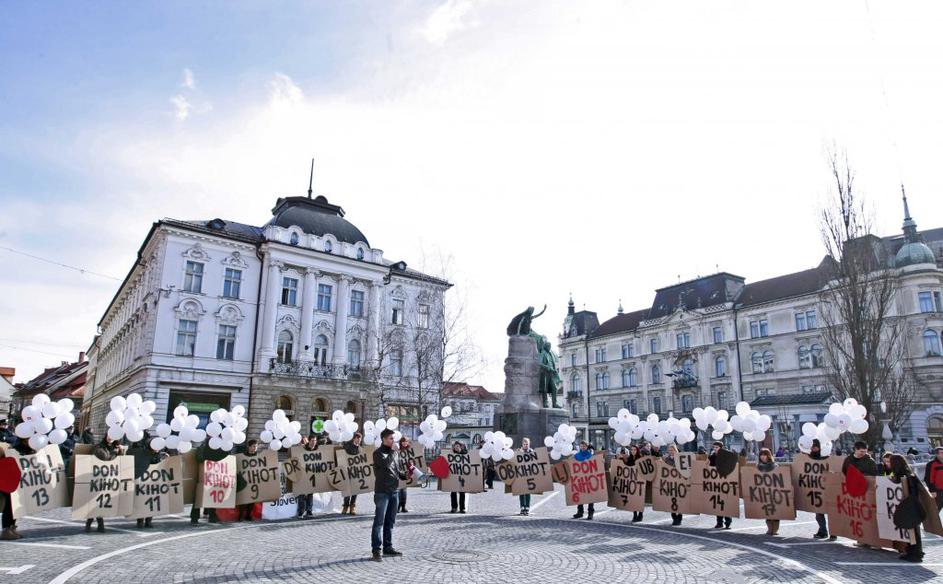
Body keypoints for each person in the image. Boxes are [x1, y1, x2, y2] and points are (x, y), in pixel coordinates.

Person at [371, 428, 406, 562]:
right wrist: (393, 451)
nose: (393, 441)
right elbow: (385, 465)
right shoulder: (377, 453)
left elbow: (395, 470)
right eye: (391, 438)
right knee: (379, 522)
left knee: (390, 521)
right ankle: (376, 550)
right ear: (384, 439)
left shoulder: (394, 453)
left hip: (394, 491)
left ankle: (388, 547)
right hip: (382, 492)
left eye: (393, 438)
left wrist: (405, 475)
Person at [889, 454, 925, 563]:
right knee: (912, 529)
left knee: (913, 529)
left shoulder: (906, 476)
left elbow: (910, 490)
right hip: (911, 504)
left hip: (910, 505)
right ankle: (913, 551)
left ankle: (915, 553)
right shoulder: (908, 474)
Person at [86, 435, 122, 533]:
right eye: (108, 436)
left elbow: (121, 462)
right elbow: (91, 459)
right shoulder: (98, 447)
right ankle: (98, 524)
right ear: (105, 436)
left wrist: (121, 452)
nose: (110, 438)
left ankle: (92, 523)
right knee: (96, 500)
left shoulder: (117, 449)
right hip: (97, 476)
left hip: (110, 478)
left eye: (112, 436)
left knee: (102, 501)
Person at [134, 436, 168, 528]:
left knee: (152, 501)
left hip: (154, 482)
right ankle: (140, 521)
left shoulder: (159, 455)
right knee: (142, 500)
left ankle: (149, 521)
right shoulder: (144, 454)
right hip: (144, 481)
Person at [809, 440, 836, 540]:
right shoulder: (808, 458)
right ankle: (822, 531)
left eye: (815, 446)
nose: (814, 448)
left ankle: (834, 532)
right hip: (816, 489)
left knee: (831, 512)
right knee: (819, 513)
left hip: (828, 487)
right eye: (812, 446)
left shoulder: (827, 457)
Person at [709, 441, 732, 529]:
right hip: (716, 483)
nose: (715, 449)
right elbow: (708, 467)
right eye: (714, 447)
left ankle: (728, 522)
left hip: (725, 483)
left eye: (717, 447)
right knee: (718, 503)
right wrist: (709, 458)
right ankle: (719, 522)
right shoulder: (712, 457)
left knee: (725, 503)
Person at [757, 448, 780, 536]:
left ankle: (775, 529)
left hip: (774, 492)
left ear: (768, 456)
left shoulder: (775, 465)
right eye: (761, 455)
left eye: (765, 455)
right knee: (767, 510)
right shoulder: (758, 466)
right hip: (764, 492)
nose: (763, 457)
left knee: (775, 511)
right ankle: (769, 529)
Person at [237, 439, 260, 521]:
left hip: (254, 480)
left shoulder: (259, 457)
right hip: (244, 480)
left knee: (252, 499)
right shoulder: (242, 456)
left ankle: (248, 515)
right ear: (249, 447)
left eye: (256, 446)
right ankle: (241, 515)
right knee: (243, 498)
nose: (255, 448)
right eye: (253, 446)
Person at [572, 441, 595, 520]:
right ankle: (580, 512)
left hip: (589, 478)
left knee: (590, 496)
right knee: (580, 495)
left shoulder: (590, 456)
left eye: (584, 446)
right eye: (581, 446)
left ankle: (590, 513)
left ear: (587, 447)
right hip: (579, 479)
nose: (582, 447)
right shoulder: (576, 456)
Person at [296, 435, 317, 519]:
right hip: (302, 475)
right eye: (312, 440)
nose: (314, 442)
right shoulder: (301, 449)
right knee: (301, 494)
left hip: (312, 475)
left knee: (310, 494)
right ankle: (301, 512)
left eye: (315, 441)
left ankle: (309, 511)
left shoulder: (317, 449)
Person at [342, 432, 364, 515]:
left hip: (356, 472)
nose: (359, 440)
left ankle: (352, 506)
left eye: (360, 438)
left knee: (355, 490)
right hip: (347, 471)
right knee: (347, 489)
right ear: (354, 438)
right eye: (357, 438)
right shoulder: (347, 446)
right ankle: (345, 506)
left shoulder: (361, 449)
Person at [663, 444, 683, 526]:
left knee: (680, 500)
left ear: (675, 450)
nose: (671, 452)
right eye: (670, 450)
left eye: (672, 450)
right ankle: (674, 517)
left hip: (680, 483)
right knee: (672, 500)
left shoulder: (681, 458)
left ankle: (680, 517)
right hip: (670, 483)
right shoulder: (667, 459)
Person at [626, 444, 644, 523]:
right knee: (633, 499)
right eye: (632, 450)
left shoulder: (640, 458)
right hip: (632, 482)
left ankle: (640, 514)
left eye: (634, 450)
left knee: (639, 498)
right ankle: (634, 514)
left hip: (640, 482)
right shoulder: (629, 459)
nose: (633, 451)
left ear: (637, 451)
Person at [449, 441, 468, 513]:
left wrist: (461, 452)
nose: (456, 447)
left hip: (462, 475)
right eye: (455, 446)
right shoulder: (451, 454)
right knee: (453, 492)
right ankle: (454, 507)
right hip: (453, 475)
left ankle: (462, 508)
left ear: (460, 447)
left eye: (458, 446)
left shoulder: (464, 453)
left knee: (462, 492)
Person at [518, 438, 535, 516]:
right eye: (524, 444)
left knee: (528, 491)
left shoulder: (532, 451)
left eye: (527, 444)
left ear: (529, 444)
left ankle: (527, 507)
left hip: (529, 473)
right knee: (521, 491)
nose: (526, 445)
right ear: (522, 444)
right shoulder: (518, 451)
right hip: (520, 474)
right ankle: (522, 507)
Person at [923, 447, 943, 511]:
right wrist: (932, 490)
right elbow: (927, 478)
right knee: (938, 508)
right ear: (937, 454)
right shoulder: (931, 464)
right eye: (942, 453)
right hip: (938, 491)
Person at [398, 435, 413, 513]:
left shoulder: (410, 451)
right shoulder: (397, 450)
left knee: (404, 490)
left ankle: (403, 506)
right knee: (399, 490)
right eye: (403, 441)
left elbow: (414, 460)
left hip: (407, 472)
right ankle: (397, 507)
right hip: (399, 472)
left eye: (406, 441)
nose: (405, 443)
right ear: (401, 442)